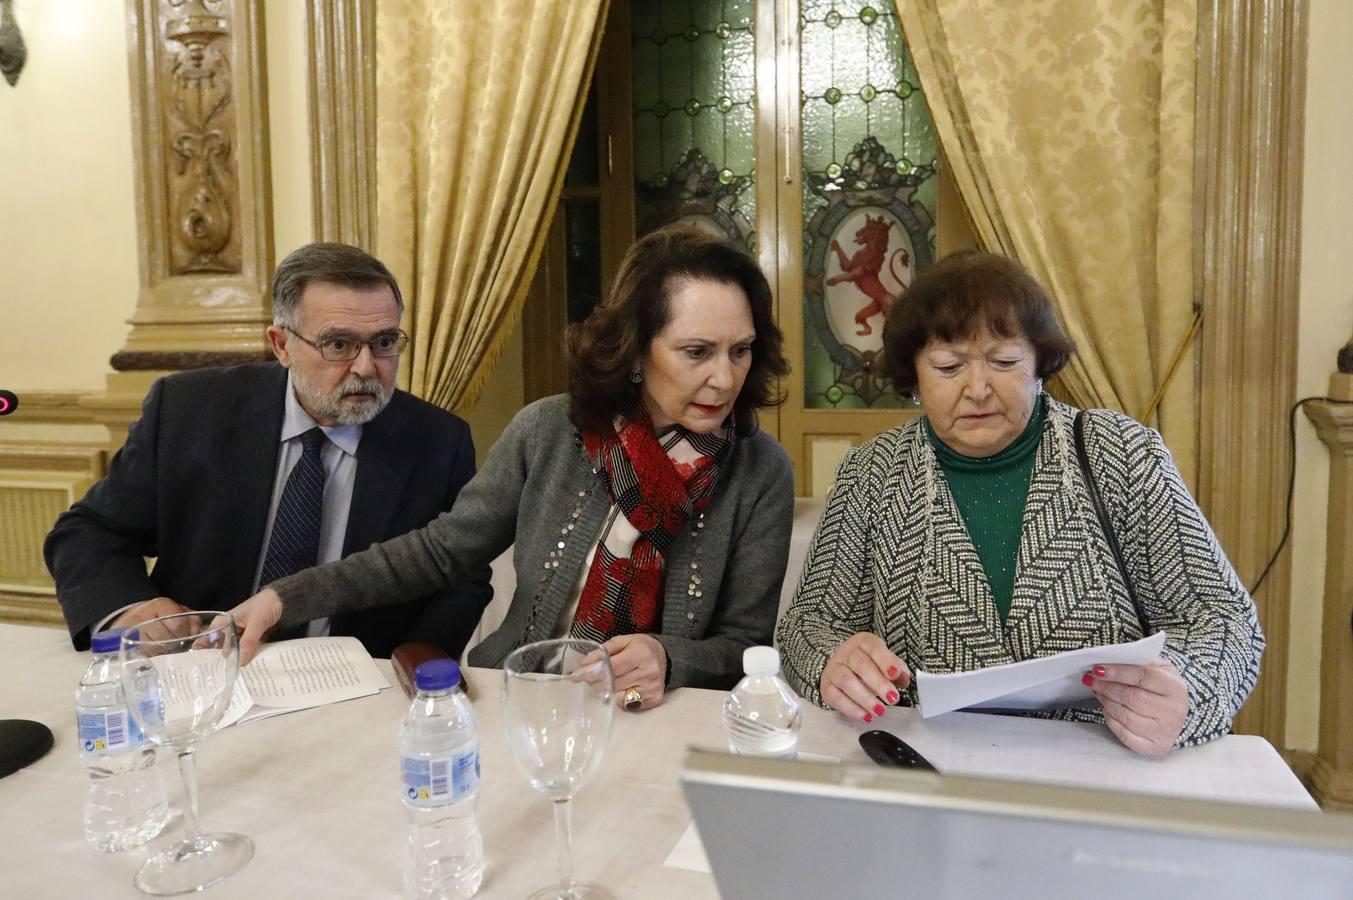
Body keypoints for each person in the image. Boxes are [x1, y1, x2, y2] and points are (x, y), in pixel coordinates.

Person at [228, 225, 796, 710]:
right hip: (513, 700)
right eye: (697, 352)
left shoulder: (760, 470)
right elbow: (439, 553)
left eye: (740, 351)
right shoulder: (549, 430)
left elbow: (744, 643)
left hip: (653, 721)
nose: (725, 379)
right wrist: (286, 597)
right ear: (635, 349)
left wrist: (668, 656)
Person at [776, 251, 1264, 756]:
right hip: (933, 767)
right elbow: (808, 625)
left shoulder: (1120, 452)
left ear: (1040, 364)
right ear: (915, 376)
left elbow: (1225, 622)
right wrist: (834, 661)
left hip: (1103, 765)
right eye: (948, 366)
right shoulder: (874, 473)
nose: (978, 389)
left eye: (1005, 362)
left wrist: (1183, 692)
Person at [45, 242, 492, 659]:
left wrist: (413, 664)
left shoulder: (437, 440)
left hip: (352, 685)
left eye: (385, 343)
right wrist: (129, 608)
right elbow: (89, 530)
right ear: (282, 345)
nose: (366, 367)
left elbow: (462, 579)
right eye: (338, 344)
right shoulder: (190, 412)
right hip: (201, 670)